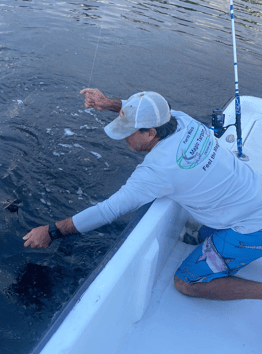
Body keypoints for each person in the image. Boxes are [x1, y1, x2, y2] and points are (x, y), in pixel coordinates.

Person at [23, 88, 262, 301]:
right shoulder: (183, 120)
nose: (124, 136)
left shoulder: (157, 171)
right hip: (253, 195)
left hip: (251, 227)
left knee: (186, 282)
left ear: (150, 133)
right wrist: (108, 104)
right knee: (200, 234)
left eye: (128, 131)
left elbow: (108, 210)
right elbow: (152, 110)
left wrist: (52, 231)